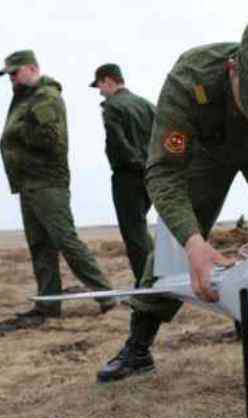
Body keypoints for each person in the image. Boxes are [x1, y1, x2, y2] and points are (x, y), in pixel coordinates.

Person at [96, 17, 248, 382]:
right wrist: (193, 243)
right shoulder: (190, 78)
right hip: (208, 154)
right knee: (173, 244)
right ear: (233, 70)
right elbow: (163, 172)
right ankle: (138, 346)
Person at [0, 50, 115, 327]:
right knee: (40, 246)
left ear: (31, 69)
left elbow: (50, 139)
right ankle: (48, 305)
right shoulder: (26, 98)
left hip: (47, 182)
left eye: (14, 72)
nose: (11, 79)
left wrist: (16, 135)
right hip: (29, 182)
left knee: (65, 240)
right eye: (9, 75)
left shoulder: (45, 97)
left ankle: (108, 297)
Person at [90, 63, 156, 287]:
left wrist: (135, 163)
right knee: (140, 228)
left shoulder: (112, 107)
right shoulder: (147, 105)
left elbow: (118, 143)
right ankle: (154, 275)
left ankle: (146, 284)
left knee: (133, 232)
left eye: (99, 85)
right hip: (151, 175)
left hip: (128, 176)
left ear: (108, 81)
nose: (99, 91)